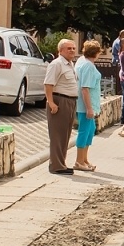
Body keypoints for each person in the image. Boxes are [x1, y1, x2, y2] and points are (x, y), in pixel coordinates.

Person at [44, 38, 80, 175]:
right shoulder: (56, 64)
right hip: (60, 101)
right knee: (57, 135)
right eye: (68, 48)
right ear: (60, 50)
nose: (72, 50)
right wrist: (51, 102)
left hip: (70, 101)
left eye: (73, 48)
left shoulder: (70, 64)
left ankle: (61, 163)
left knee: (65, 134)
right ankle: (56, 166)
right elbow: (48, 84)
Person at [74, 40, 103, 172]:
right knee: (84, 131)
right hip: (85, 105)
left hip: (87, 104)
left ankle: (84, 159)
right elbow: (85, 88)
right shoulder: (88, 66)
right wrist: (89, 108)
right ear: (97, 53)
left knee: (90, 130)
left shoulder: (82, 62)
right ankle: (79, 161)